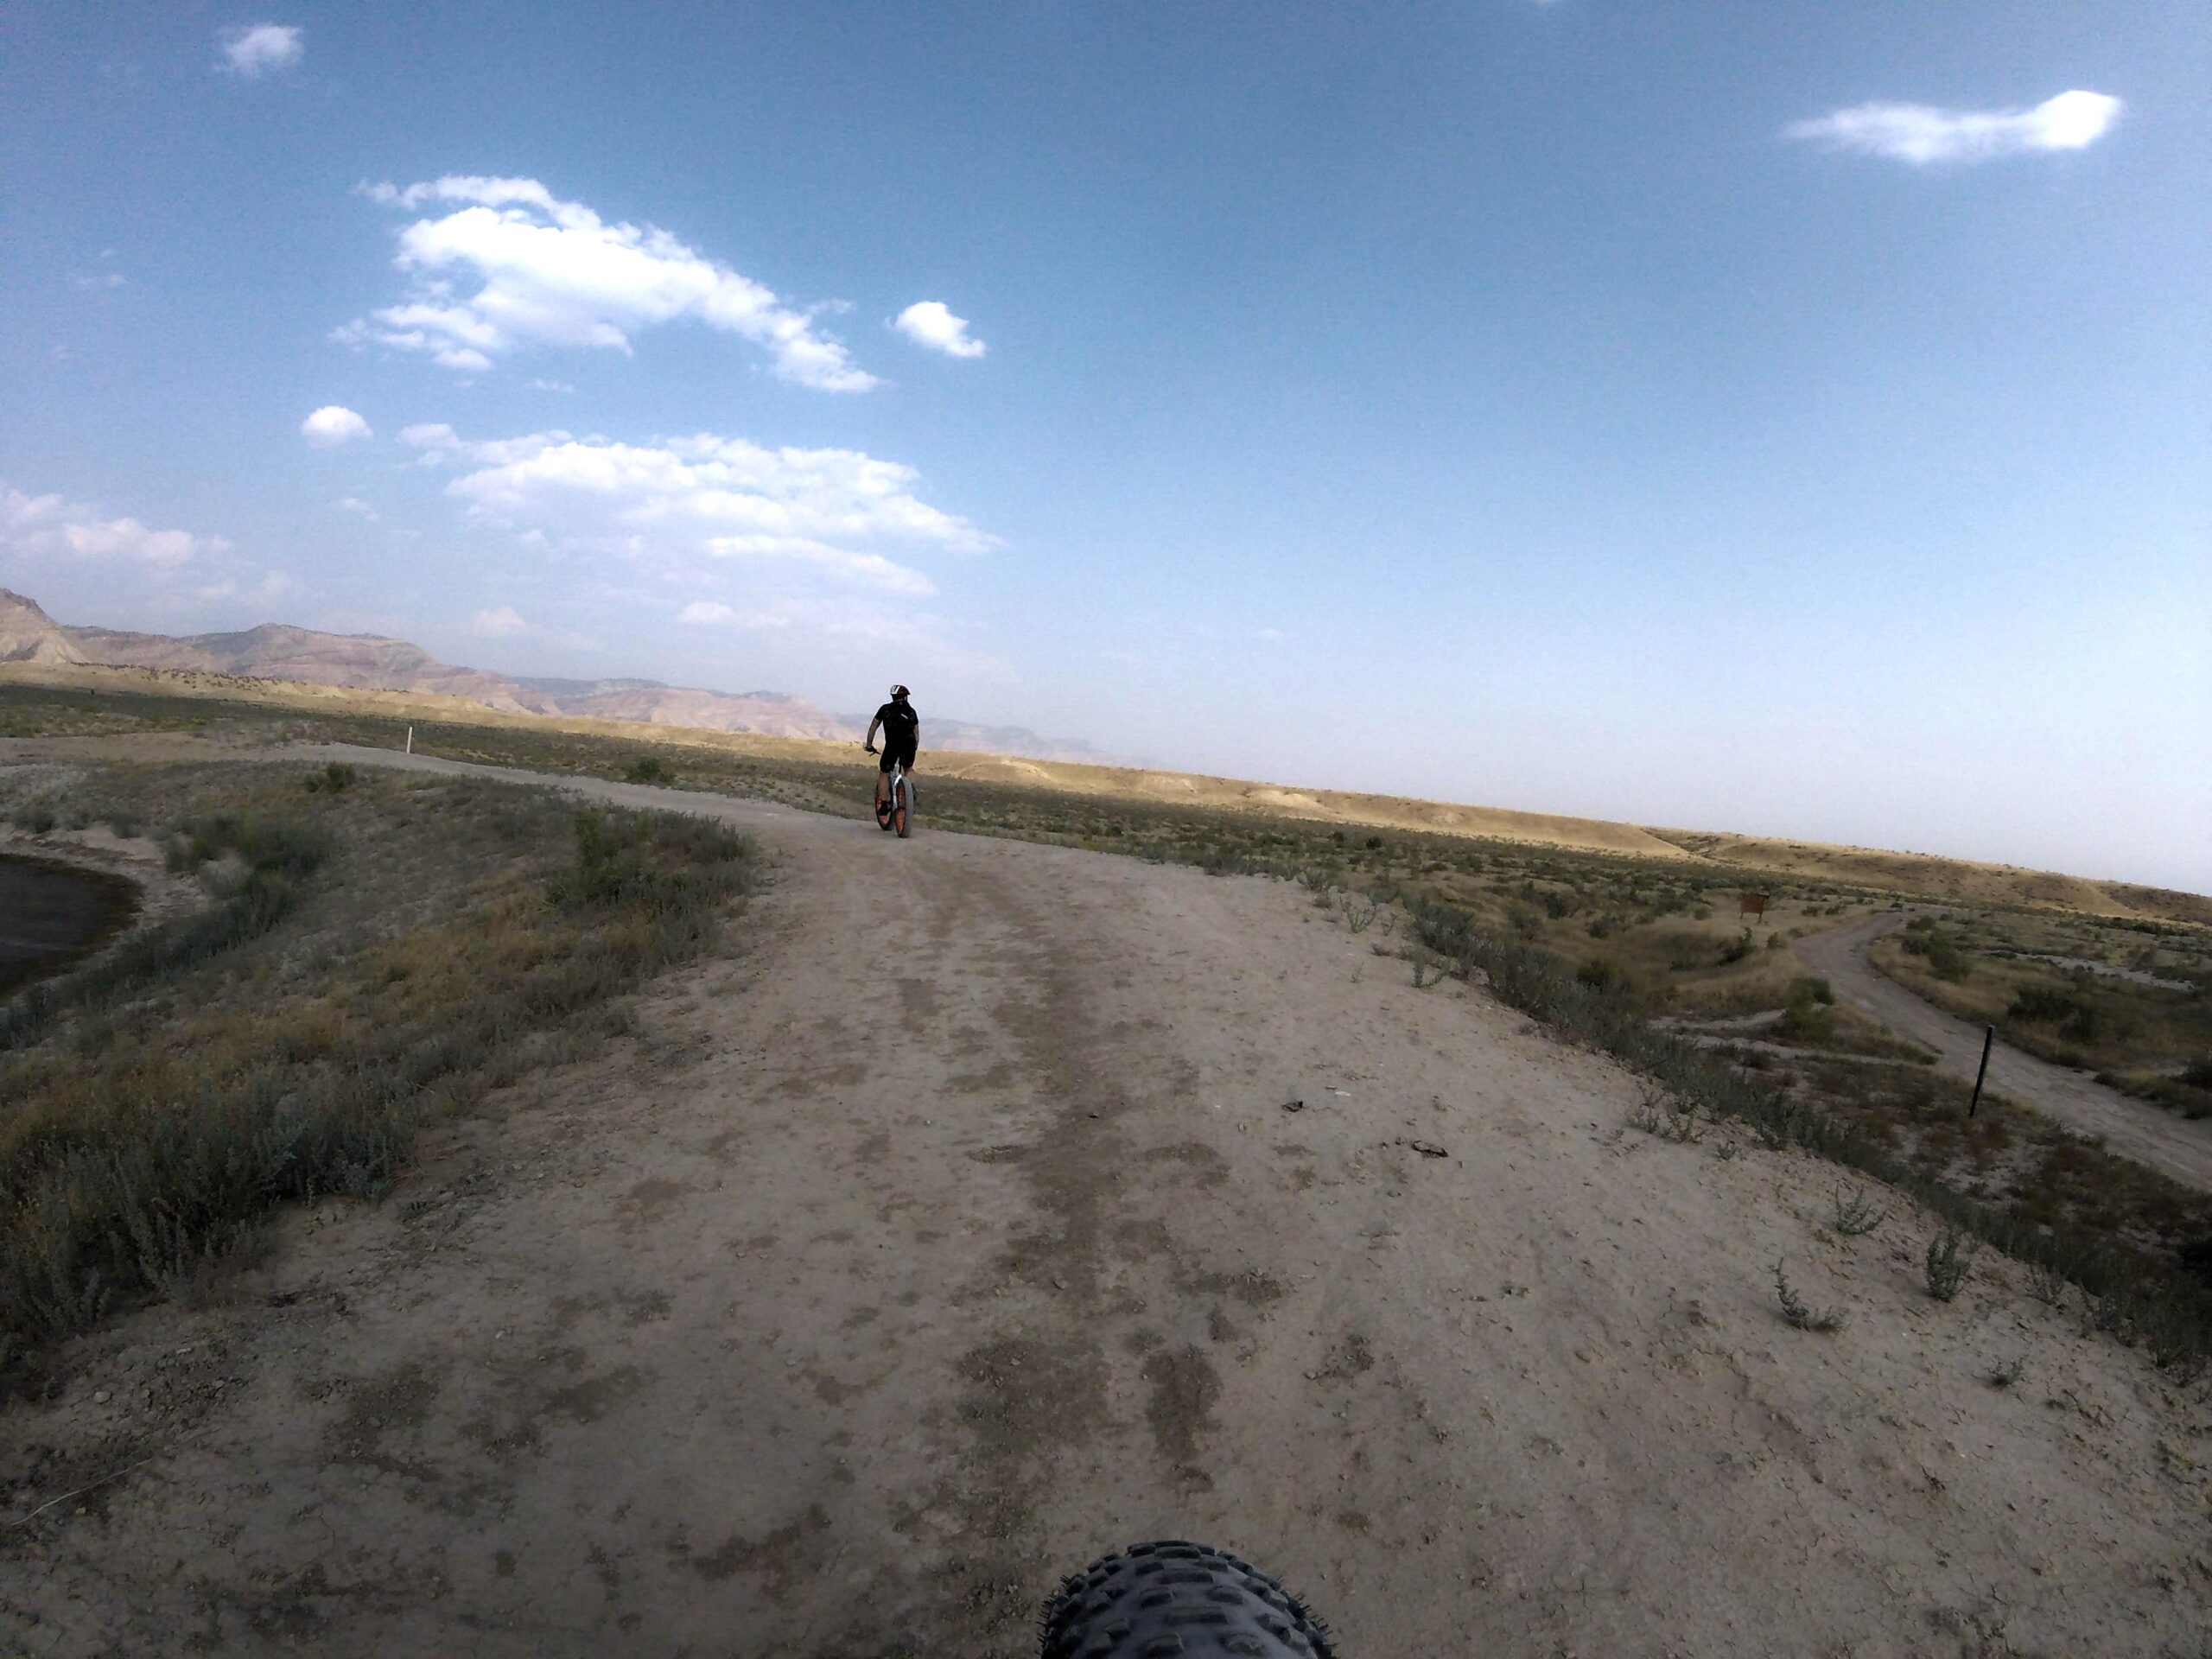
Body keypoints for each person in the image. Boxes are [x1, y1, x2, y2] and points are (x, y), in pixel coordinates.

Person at [864, 683, 919, 818]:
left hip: (892, 745)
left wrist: (869, 745)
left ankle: (883, 804)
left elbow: (873, 728)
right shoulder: (911, 711)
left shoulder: (885, 709)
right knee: (908, 768)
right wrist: (914, 747)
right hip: (909, 744)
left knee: (884, 771)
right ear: (905, 697)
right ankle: (910, 791)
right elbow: (916, 733)